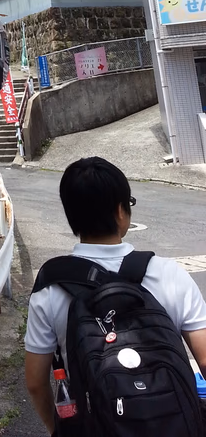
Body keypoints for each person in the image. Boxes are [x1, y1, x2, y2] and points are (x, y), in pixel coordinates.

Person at [25, 156, 206, 434]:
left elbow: (36, 382)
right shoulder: (169, 274)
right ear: (121, 211)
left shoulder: (50, 290)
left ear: (71, 215)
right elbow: (204, 360)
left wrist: (57, 430)